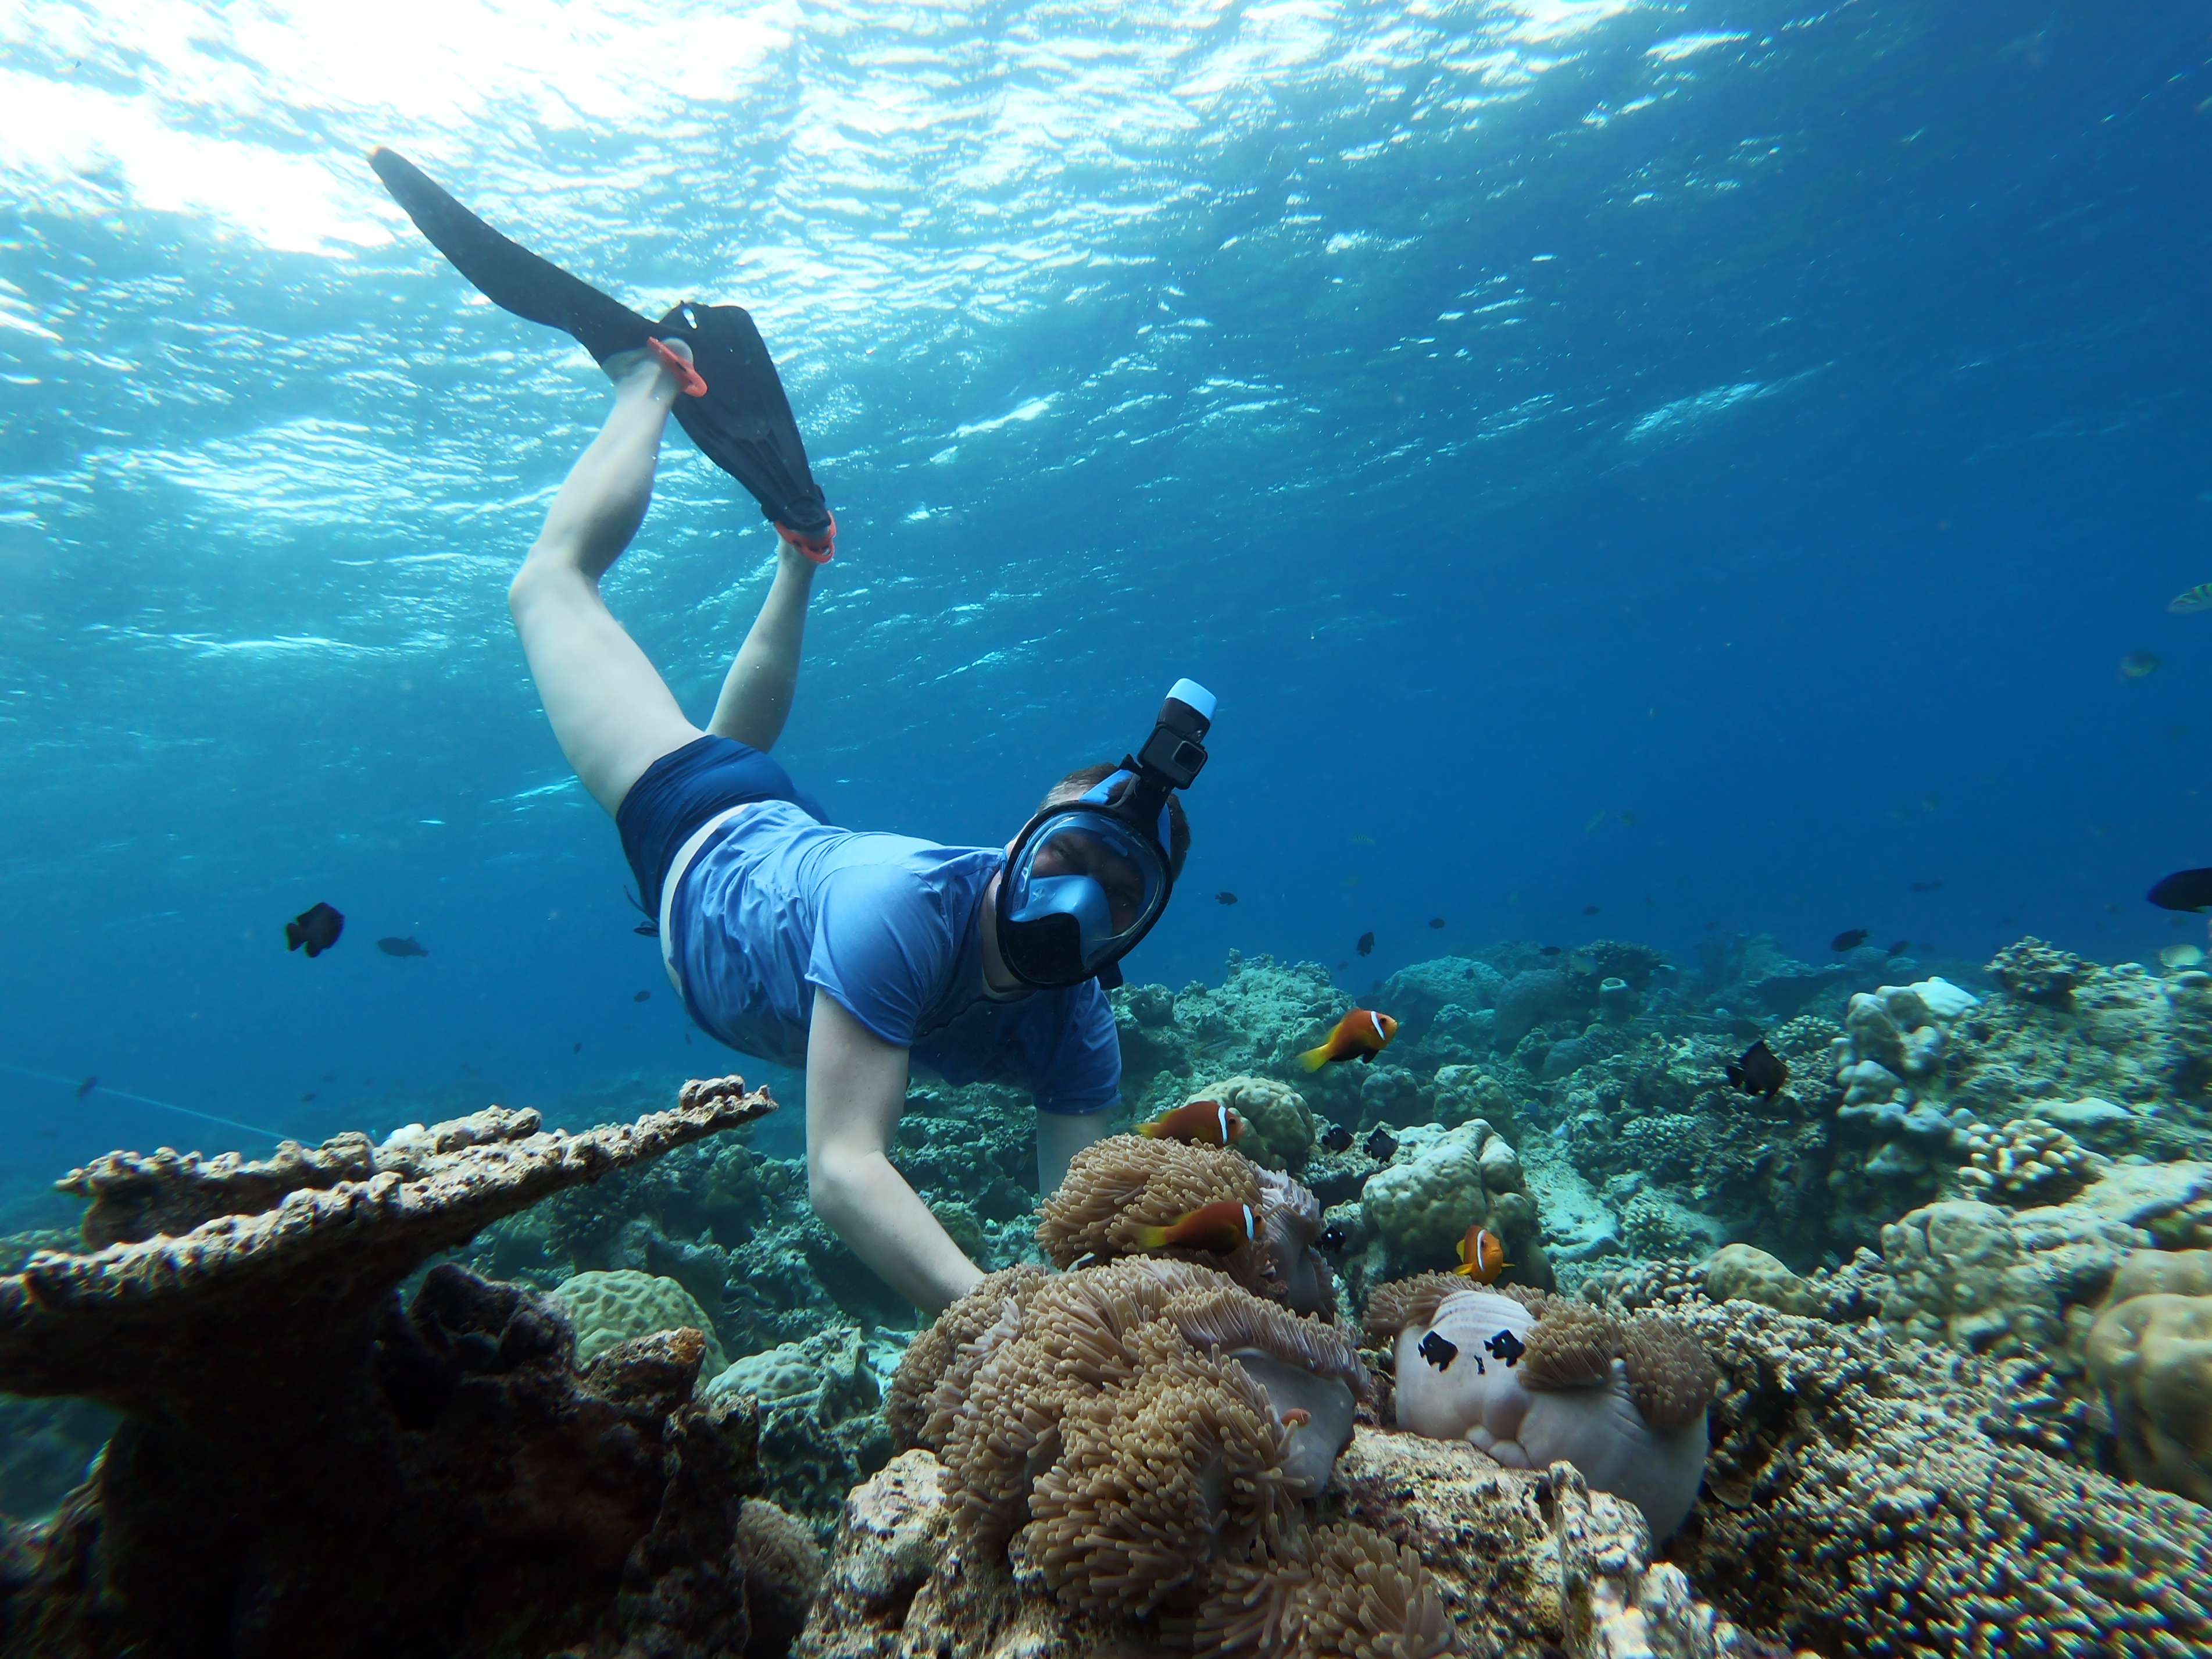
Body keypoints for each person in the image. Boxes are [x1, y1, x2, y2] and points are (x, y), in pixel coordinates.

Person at [371, 149, 1213, 1314]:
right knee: (551, 585)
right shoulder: (897, 914)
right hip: (698, 841)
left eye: (1118, 894)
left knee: (737, 754)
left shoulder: (1077, 1026)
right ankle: (647, 377)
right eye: (1069, 856)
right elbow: (842, 1170)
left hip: (772, 823)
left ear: (1143, 924)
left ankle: (799, 554)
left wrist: (1112, 1323)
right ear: (1022, 836)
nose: (1079, 900)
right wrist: (1001, 1325)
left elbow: (1080, 1212)